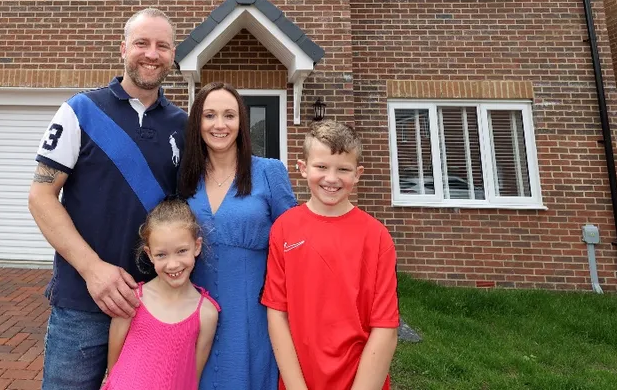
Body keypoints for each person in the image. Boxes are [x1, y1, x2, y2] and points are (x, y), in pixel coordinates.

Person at [28, 8, 187, 390]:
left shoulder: (183, 125)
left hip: (152, 304)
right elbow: (41, 196)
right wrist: (93, 270)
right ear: (123, 49)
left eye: (162, 46)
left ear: (173, 55)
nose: (152, 53)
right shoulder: (79, 110)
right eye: (142, 43)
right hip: (81, 303)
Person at [261, 120, 399, 390]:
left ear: (357, 174)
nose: (332, 178)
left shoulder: (377, 237)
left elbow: (385, 328)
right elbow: (277, 315)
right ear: (303, 168)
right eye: (321, 167)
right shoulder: (284, 229)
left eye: (343, 169)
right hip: (299, 380)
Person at [177, 81, 297, 390]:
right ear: (197, 123)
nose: (220, 124)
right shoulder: (185, 178)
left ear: (241, 122)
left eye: (229, 115)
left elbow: (294, 242)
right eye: (210, 115)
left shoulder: (270, 172)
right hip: (193, 308)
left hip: (252, 310)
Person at [102, 199, 220, 390]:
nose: (173, 264)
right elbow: (113, 363)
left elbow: (192, 377)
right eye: (161, 255)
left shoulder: (206, 313)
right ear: (149, 254)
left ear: (197, 246)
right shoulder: (133, 299)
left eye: (181, 251)